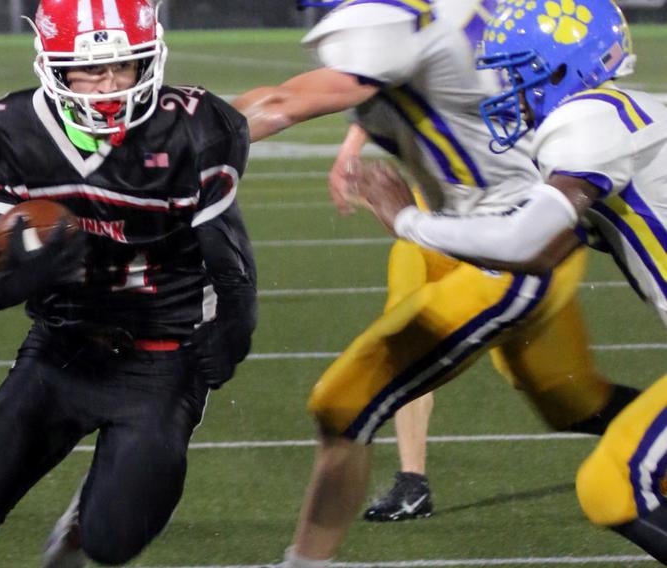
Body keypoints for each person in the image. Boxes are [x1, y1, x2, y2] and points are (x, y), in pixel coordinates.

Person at [231, 0, 641, 563]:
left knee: (342, 403)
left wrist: (170, 148)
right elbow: (393, 88)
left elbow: (288, 101)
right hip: (475, 223)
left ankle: (305, 559)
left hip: (508, 242)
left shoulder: (389, 17)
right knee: (572, 401)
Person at [0, 0, 257, 566]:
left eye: (124, 66)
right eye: (91, 69)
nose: (109, 84)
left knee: (112, 540)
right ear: (53, 66)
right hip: (60, 351)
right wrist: (49, 264)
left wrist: (233, 332)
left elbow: (232, 265)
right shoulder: (12, 133)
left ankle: (84, 520)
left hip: (160, 359)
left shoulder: (192, 130)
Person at [350, 0, 667, 560]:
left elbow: (524, 240)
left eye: (518, 70)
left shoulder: (588, 118)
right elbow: (537, 253)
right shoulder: (625, 115)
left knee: (613, 486)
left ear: (566, 65)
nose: (507, 87)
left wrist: (407, 218)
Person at [329, 122, 434, 522]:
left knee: (558, 388)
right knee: (402, 343)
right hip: (429, 213)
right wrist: (351, 148)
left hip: (494, 219)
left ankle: (638, 445)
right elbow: (382, 79)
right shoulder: (427, 64)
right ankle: (413, 483)